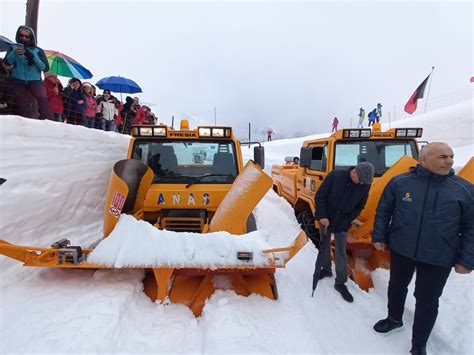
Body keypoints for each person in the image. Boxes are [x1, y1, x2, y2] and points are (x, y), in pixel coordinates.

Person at [372, 142, 473, 355]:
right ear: (423, 159)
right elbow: (384, 211)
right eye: (442, 156)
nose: (449, 161)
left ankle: (419, 343)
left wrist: (467, 259)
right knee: (397, 286)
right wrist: (379, 236)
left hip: (439, 255)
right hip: (402, 248)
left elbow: (471, 227)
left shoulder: (464, 190)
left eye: (451, 156)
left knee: (427, 300)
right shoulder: (400, 182)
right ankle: (394, 319)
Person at [314, 161, 374, 302]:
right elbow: (320, 196)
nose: (361, 184)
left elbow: (361, 205)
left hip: (343, 221)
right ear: (354, 172)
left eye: (364, 183)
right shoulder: (335, 176)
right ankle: (326, 269)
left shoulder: (365, 184)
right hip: (326, 218)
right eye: (360, 181)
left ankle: (341, 282)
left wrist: (348, 219)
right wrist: (322, 216)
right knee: (325, 245)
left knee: (341, 251)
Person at [2, 25, 53, 120]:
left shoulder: (38, 51)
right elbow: (6, 62)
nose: (24, 38)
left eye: (27, 36)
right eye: (21, 35)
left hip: (35, 80)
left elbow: (45, 67)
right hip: (18, 79)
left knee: (42, 98)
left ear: (32, 38)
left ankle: (49, 121)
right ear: (18, 35)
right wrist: (14, 53)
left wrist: (33, 56)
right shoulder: (13, 47)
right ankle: (25, 124)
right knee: (22, 103)